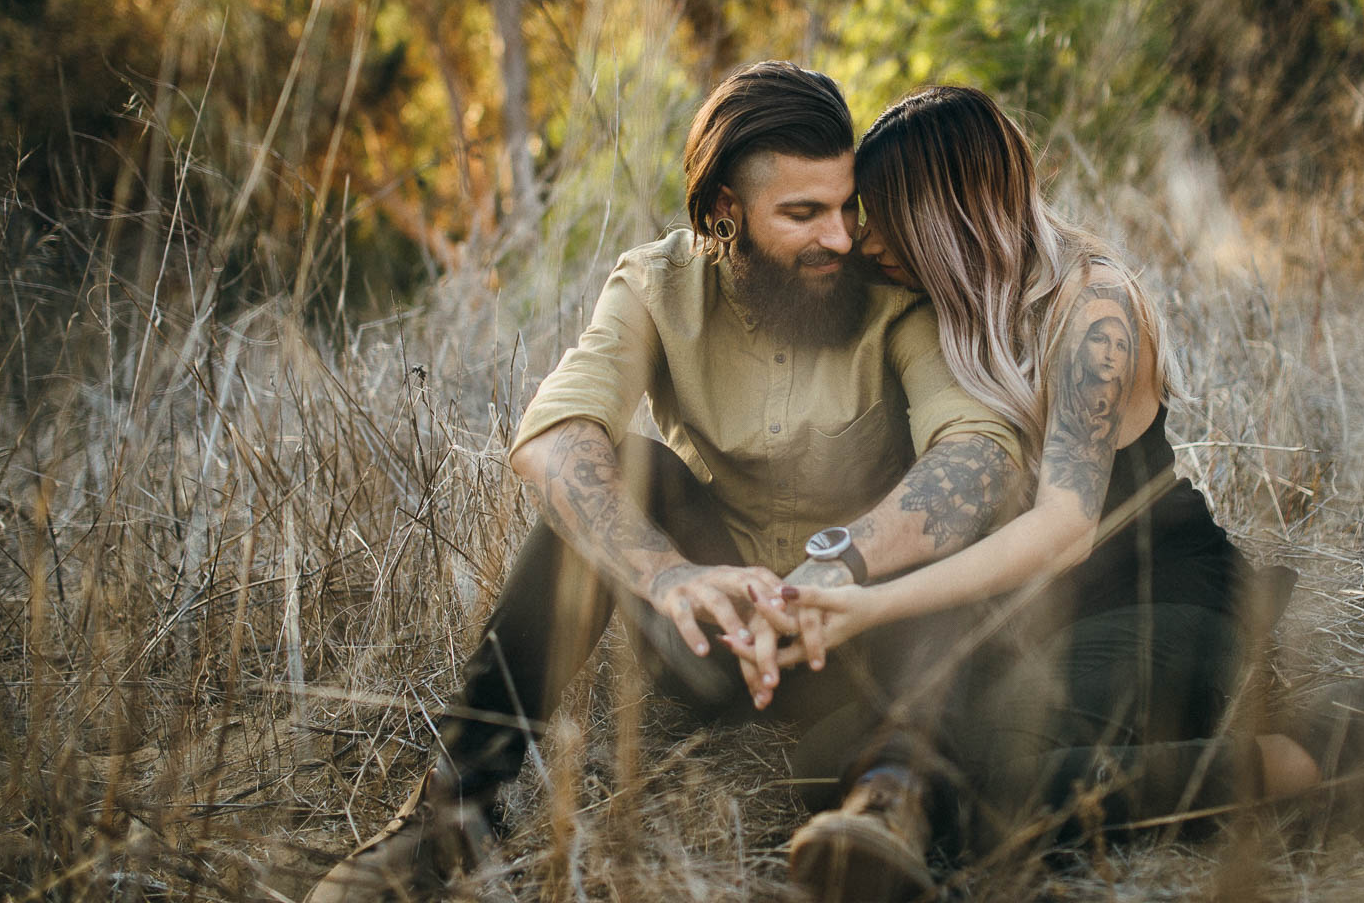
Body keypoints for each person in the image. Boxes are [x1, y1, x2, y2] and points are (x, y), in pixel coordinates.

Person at [303, 62, 1027, 903]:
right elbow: (554, 437)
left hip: (864, 637)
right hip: (711, 629)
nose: (840, 237)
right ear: (726, 209)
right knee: (630, 468)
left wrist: (843, 564)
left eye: (845, 205)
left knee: (948, 552)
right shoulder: (657, 283)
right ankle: (446, 816)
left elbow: (980, 454)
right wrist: (669, 575)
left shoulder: (893, 296)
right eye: (803, 213)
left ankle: (889, 805)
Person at [776, 86, 1322, 902]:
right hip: (1027, 612)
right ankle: (898, 809)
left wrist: (872, 607)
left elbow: (1064, 527)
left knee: (1001, 776)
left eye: (883, 213)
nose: (864, 237)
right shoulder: (941, 302)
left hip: (1156, 592)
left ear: (949, 209)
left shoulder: (1093, 309)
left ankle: (1279, 768)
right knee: (818, 764)